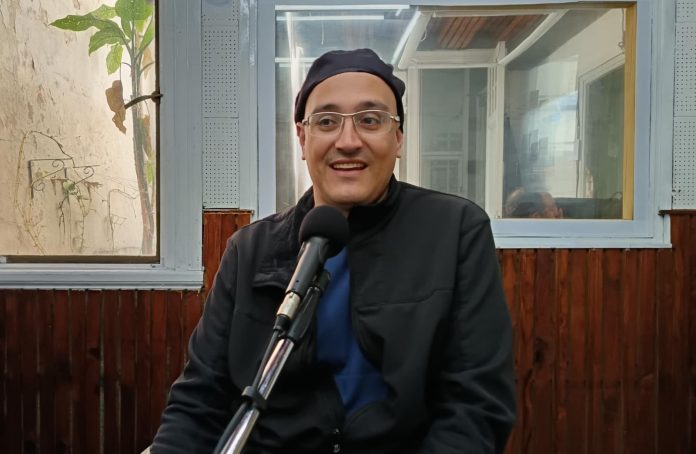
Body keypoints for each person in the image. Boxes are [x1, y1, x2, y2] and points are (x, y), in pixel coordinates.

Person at [152, 48, 515, 453]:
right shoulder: (249, 250)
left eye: (370, 120)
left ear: (398, 138)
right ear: (302, 138)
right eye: (326, 122)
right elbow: (199, 401)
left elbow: (477, 405)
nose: (348, 141)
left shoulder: (455, 231)